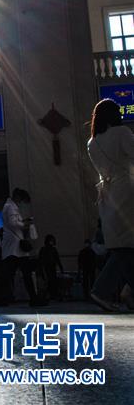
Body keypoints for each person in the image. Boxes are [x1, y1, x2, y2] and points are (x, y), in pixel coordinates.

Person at [86, 99, 134, 312]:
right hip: (127, 192)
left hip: (108, 195)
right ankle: (103, 290)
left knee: (123, 246)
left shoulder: (92, 143)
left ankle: (126, 291)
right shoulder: (122, 133)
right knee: (126, 247)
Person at [0, 188, 45, 306]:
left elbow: (12, 222)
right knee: (21, 273)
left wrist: (23, 222)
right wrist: (24, 224)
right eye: (21, 200)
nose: (21, 202)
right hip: (15, 246)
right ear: (17, 197)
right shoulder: (10, 207)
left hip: (14, 247)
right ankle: (32, 298)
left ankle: (4, 298)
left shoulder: (9, 206)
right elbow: (13, 223)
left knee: (10, 274)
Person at [38, 234, 64, 301]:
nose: (51, 242)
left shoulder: (53, 249)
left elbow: (57, 259)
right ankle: (48, 294)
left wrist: (61, 268)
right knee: (48, 281)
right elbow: (40, 260)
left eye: (52, 241)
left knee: (53, 281)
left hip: (52, 267)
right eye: (50, 241)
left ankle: (52, 294)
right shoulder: (44, 249)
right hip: (46, 267)